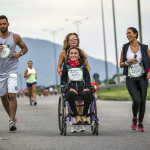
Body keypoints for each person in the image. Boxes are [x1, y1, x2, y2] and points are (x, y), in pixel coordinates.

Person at [57, 33, 90, 132]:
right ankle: (73, 120)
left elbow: (87, 66)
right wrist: (62, 74)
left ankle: (81, 120)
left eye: (75, 39)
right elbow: (59, 66)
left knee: (80, 101)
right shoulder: (63, 52)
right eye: (71, 39)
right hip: (68, 79)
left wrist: (84, 74)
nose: (73, 40)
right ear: (67, 41)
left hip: (79, 79)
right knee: (70, 97)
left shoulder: (81, 52)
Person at [0, 15, 28, 131]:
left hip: (12, 69)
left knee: (12, 94)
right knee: (3, 96)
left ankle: (11, 121)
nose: (2, 26)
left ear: (8, 24)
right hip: (0, 71)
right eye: (0, 24)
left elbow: (25, 48)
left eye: (4, 24)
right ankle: (12, 117)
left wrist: (19, 54)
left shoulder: (15, 37)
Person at [120, 27, 150, 132]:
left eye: (129, 33)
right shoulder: (125, 48)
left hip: (142, 77)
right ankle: (134, 118)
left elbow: (149, 62)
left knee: (142, 101)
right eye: (126, 33)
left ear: (135, 34)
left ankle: (140, 123)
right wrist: (129, 62)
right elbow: (121, 64)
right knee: (136, 100)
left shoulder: (144, 47)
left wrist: (149, 72)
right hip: (130, 78)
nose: (127, 35)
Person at [61, 47, 91, 126]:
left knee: (88, 93)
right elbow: (63, 79)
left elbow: (87, 78)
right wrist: (69, 88)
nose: (73, 55)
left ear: (78, 56)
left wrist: (87, 87)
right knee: (70, 94)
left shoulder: (83, 66)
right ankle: (76, 115)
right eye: (71, 53)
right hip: (71, 88)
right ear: (69, 55)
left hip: (82, 88)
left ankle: (84, 115)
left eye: (75, 53)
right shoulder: (66, 66)